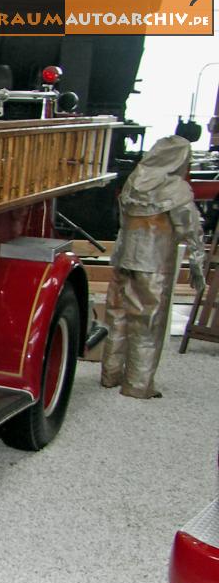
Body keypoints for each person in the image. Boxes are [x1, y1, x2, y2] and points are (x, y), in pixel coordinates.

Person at [100, 135, 205, 398]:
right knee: (147, 322)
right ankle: (137, 385)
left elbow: (122, 221)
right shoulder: (175, 189)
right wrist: (197, 261)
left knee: (117, 318)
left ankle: (110, 375)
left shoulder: (134, 183)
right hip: (154, 262)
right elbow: (189, 228)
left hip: (124, 258)